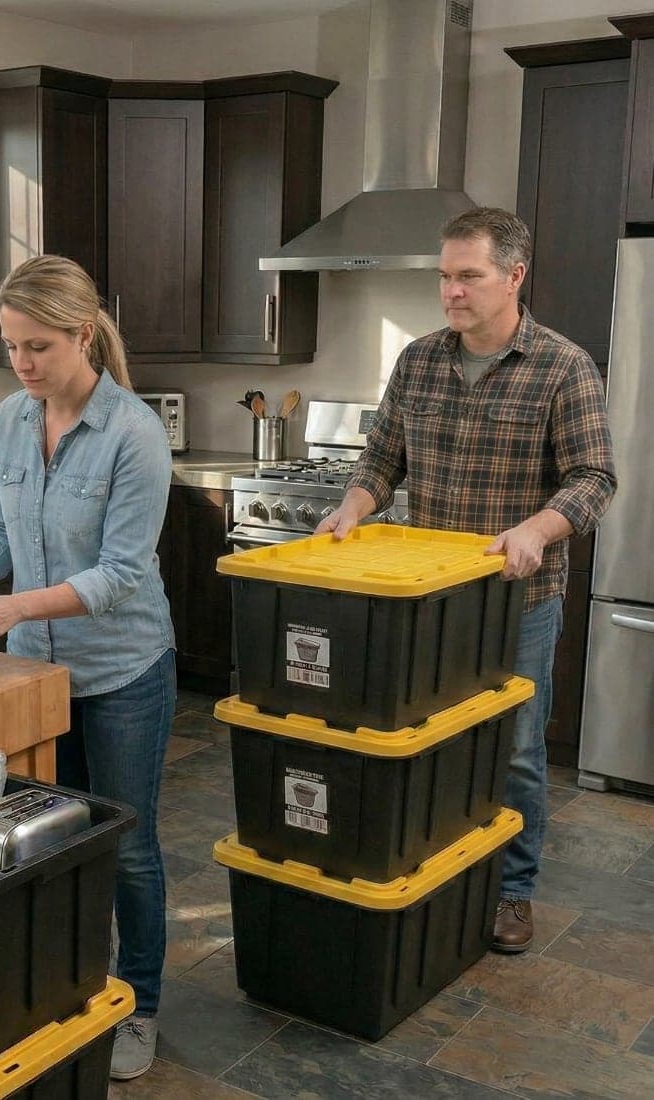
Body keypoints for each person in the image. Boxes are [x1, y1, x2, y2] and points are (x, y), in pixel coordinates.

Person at [0, 254, 176, 1080]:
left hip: (123, 673)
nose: (21, 364)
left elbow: (120, 574)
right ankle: (67, 987)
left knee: (126, 846)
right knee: (41, 842)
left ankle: (140, 1006)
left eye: (38, 347)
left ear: (83, 335)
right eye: (11, 346)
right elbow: (3, 535)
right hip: (32, 681)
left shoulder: (133, 432)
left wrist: (16, 608)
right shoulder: (12, 421)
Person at [316, 207, 616, 954]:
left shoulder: (564, 366)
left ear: (514, 276)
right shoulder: (417, 360)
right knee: (429, 742)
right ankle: (441, 868)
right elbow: (381, 460)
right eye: (445, 276)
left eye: (468, 276)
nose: (451, 291)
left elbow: (593, 478)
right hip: (430, 602)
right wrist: (352, 507)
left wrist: (535, 530)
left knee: (513, 751)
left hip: (518, 602)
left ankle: (512, 890)